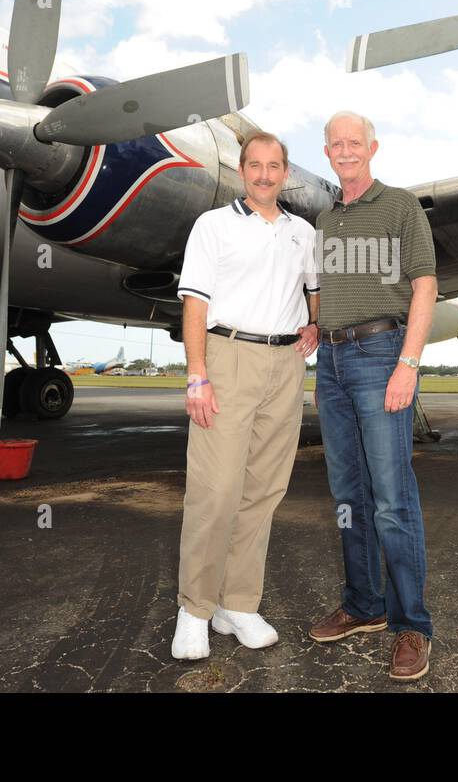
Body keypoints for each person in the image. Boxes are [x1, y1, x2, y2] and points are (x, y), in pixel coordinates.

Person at [171, 131, 320, 661]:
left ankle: (238, 603)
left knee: (264, 491)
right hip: (227, 357)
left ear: (285, 173)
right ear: (241, 171)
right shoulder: (212, 225)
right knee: (215, 489)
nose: (263, 174)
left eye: (273, 166)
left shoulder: (304, 232)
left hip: (285, 366)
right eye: (253, 165)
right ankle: (195, 610)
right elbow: (194, 302)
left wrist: (315, 325)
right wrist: (197, 373)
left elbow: (313, 290)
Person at [309, 110, 439, 681]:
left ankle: (412, 625)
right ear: (328, 151)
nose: (345, 150)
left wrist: (408, 363)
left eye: (354, 142)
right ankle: (364, 606)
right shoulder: (323, 218)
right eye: (336, 143)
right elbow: (323, 285)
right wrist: (315, 327)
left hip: (381, 355)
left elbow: (425, 286)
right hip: (332, 363)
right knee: (346, 493)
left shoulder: (401, 206)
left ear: (373, 147)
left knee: (392, 497)